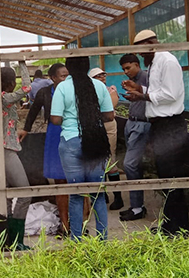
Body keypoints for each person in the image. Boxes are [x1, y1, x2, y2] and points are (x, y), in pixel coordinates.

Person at [122, 30, 189, 234]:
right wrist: (139, 90)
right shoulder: (154, 63)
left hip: (170, 125)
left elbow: (170, 94)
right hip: (160, 125)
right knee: (165, 175)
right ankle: (171, 224)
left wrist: (142, 96)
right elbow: (157, 92)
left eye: (143, 52)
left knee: (171, 176)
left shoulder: (167, 61)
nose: (141, 57)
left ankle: (178, 228)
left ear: (152, 43)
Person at [50, 56, 114, 241]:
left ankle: (76, 239)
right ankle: (103, 239)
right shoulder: (99, 86)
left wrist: (73, 119)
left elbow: (55, 119)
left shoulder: (62, 87)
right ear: (87, 66)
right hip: (96, 140)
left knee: (76, 193)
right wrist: (90, 119)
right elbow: (109, 115)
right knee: (98, 194)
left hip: (70, 141)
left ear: (68, 68)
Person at [0, 62, 33, 250]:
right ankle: (16, 241)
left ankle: (6, 242)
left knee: (6, 195)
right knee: (25, 193)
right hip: (5, 151)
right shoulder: (5, 98)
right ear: (10, 83)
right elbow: (27, 88)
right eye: (14, 81)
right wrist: (22, 64)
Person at [23, 62, 70, 235]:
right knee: (59, 180)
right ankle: (64, 224)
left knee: (76, 180)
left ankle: (80, 222)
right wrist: (26, 129)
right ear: (52, 78)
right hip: (54, 133)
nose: (66, 78)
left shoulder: (74, 90)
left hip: (71, 131)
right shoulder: (45, 92)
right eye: (62, 75)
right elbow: (33, 111)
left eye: (67, 75)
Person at [117, 53, 151, 221]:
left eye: (128, 67)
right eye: (123, 69)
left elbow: (150, 95)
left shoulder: (145, 76)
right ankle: (136, 205)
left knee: (129, 164)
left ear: (137, 64)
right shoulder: (136, 80)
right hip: (132, 122)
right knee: (133, 166)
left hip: (141, 124)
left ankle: (137, 207)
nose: (126, 71)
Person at [87, 67, 124, 211]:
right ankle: (102, 195)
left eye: (103, 74)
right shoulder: (89, 93)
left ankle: (118, 197)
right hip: (94, 128)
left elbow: (108, 110)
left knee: (109, 160)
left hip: (107, 126)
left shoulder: (111, 91)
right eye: (97, 76)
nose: (102, 77)